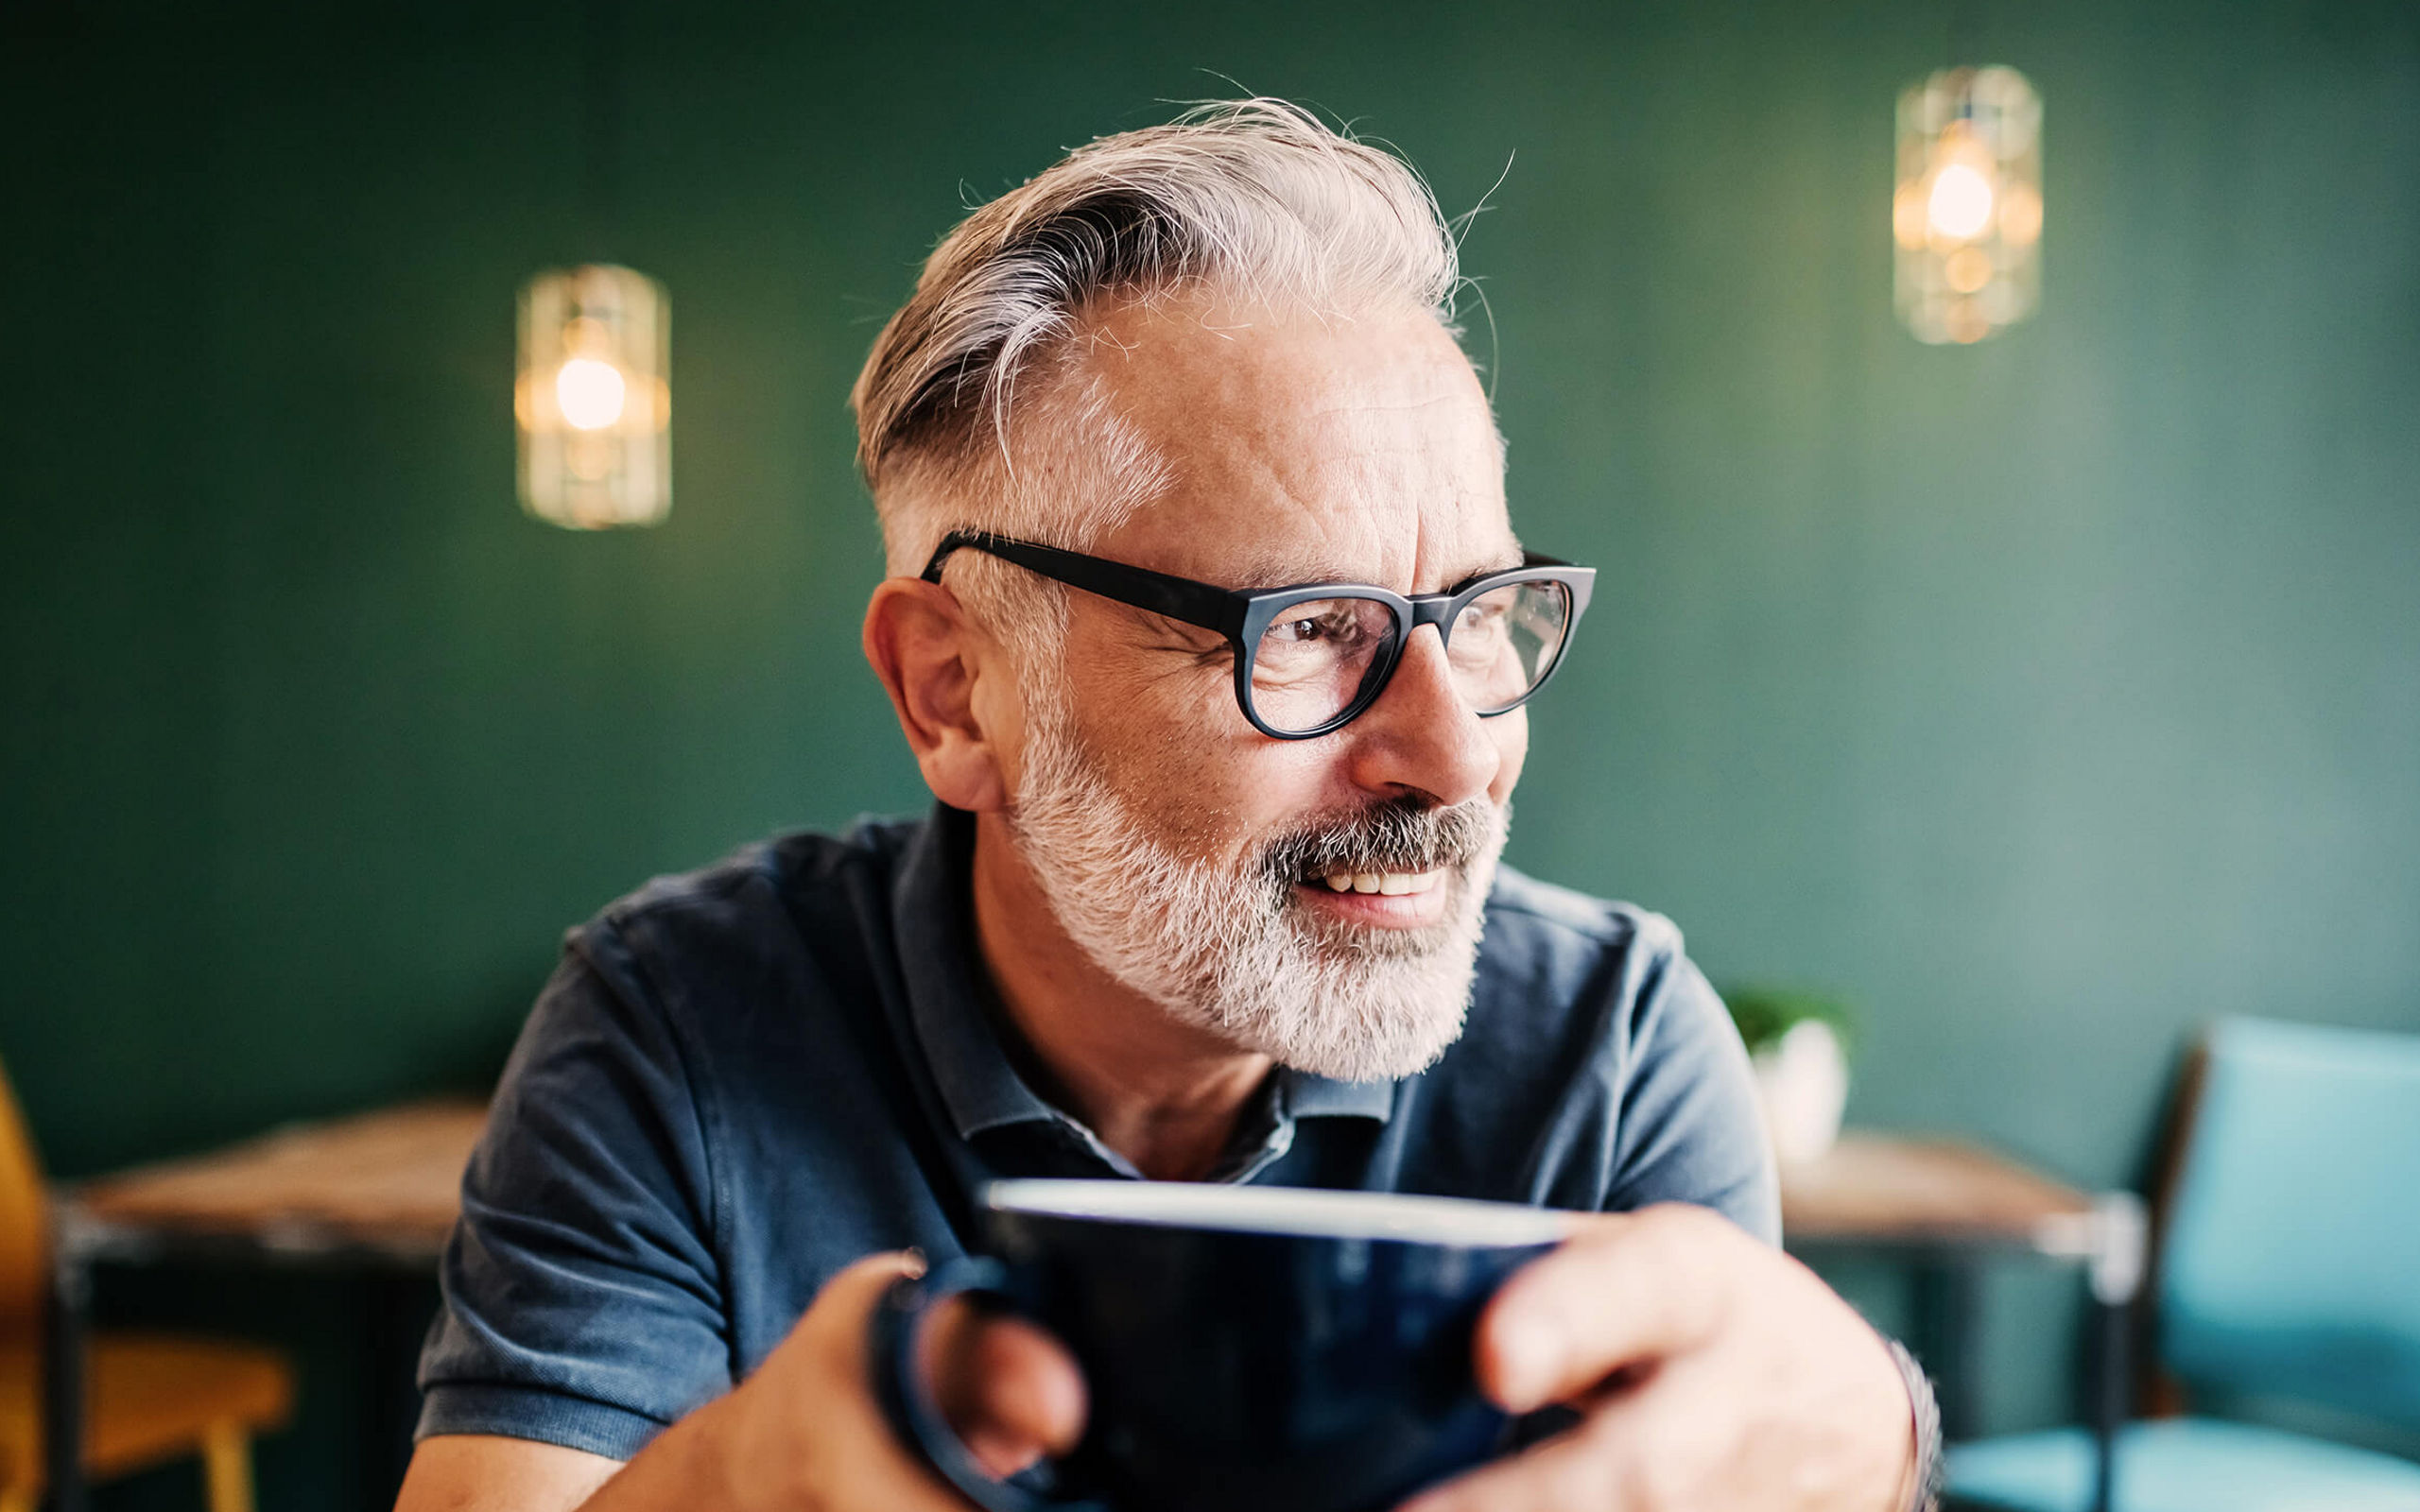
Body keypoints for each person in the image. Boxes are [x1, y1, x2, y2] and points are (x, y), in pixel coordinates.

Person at [395, 99, 1938, 1512]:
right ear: (955, 689)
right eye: (1307, 630)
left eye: (1477, 613)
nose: (1459, 757)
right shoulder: (678, 1023)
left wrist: (1876, 1449)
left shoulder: (1605, 1045)